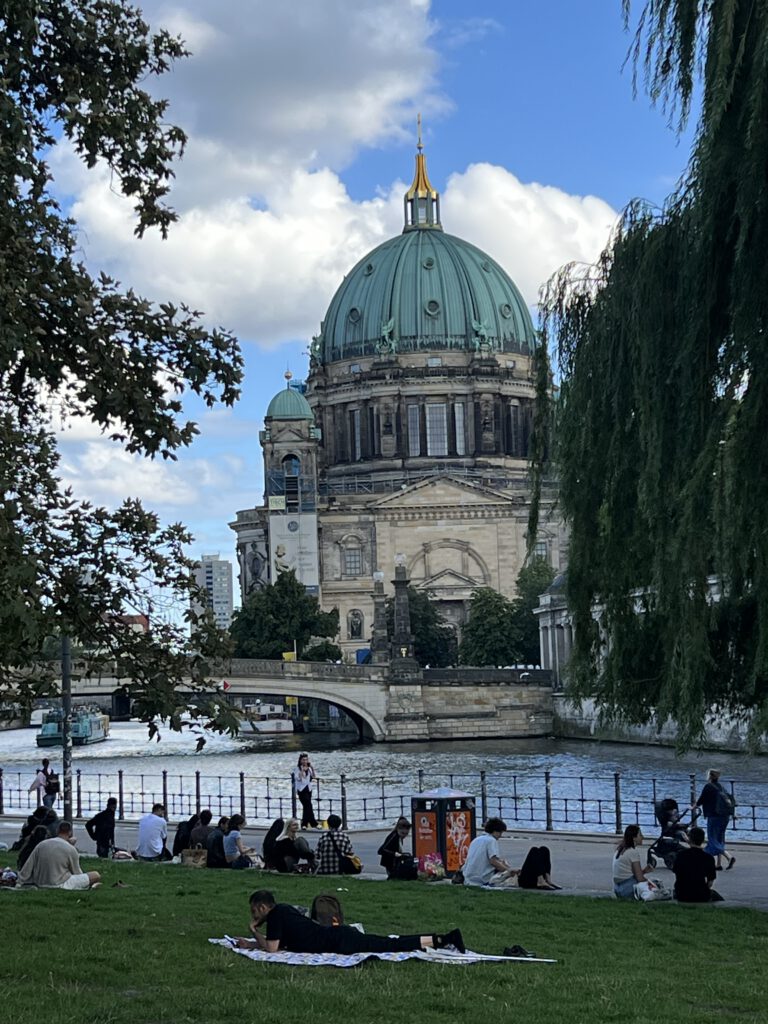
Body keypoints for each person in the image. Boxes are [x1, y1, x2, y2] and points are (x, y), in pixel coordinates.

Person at [230, 889, 465, 955]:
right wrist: (250, 944)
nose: (254, 916)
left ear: (263, 907)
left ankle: (442, 939)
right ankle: (438, 939)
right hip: (339, 936)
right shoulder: (283, 911)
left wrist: (253, 931)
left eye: (255, 912)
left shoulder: (275, 916)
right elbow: (279, 944)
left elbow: (272, 948)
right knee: (390, 942)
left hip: (340, 941)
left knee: (391, 945)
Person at [17, 821, 101, 890]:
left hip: (40, 882)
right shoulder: (70, 849)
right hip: (60, 883)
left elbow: (28, 867)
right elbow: (77, 873)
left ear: (57, 831)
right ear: (70, 833)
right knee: (95, 875)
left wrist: (20, 881)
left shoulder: (41, 844)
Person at [692, 769, 736, 870]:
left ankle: (729, 856)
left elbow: (701, 799)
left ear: (709, 777)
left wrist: (694, 806)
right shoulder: (720, 787)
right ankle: (718, 864)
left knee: (712, 839)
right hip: (725, 816)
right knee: (719, 838)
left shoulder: (708, 786)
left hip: (714, 815)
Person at [462, 818, 518, 887]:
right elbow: (493, 861)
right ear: (495, 831)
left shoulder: (476, 839)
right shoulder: (491, 841)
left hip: (468, 878)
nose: (500, 836)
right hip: (482, 878)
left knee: (501, 862)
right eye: (500, 832)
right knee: (508, 871)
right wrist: (508, 870)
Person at [673, 826, 722, 903]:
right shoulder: (708, 858)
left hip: (682, 893)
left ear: (689, 839)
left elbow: (677, 874)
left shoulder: (680, 855)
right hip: (700, 894)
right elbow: (710, 882)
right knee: (717, 896)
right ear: (703, 840)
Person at [612, 824, 654, 899]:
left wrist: (644, 871)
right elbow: (640, 878)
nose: (642, 837)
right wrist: (651, 884)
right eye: (640, 835)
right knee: (655, 889)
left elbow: (628, 873)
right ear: (634, 838)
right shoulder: (633, 852)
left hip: (617, 888)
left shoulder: (620, 849)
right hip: (627, 888)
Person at [293, 753, 317, 829]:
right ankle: (313, 823)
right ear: (300, 760)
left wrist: (312, 769)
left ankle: (304, 824)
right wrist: (302, 770)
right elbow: (298, 778)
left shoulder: (309, 768)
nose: (305, 761)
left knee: (306, 806)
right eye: (303, 760)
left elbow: (313, 777)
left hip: (308, 789)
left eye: (306, 759)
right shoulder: (297, 769)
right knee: (308, 805)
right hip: (301, 790)